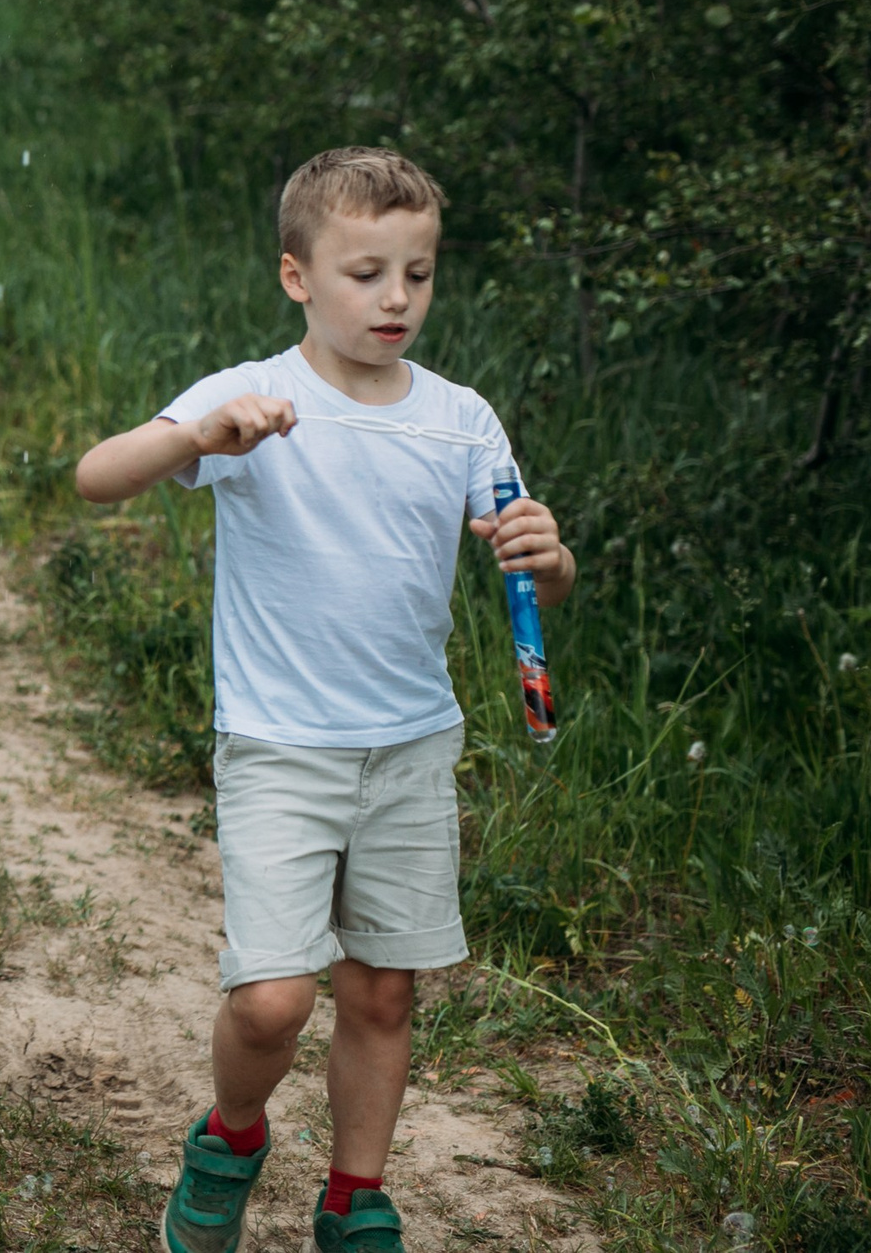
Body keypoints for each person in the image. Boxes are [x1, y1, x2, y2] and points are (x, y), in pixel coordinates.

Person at [72, 148, 579, 1253]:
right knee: (270, 1001)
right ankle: (232, 1136)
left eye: (418, 273)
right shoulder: (254, 400)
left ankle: (355, 1195)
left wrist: (547, 558)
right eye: (365, 274)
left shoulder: (460, 420)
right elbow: (96, 474)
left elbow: (529, 571)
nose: (396, 298)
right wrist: (196, 438)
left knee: (382, 992)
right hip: (278, 748)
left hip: (408, 748)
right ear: (297, 275)